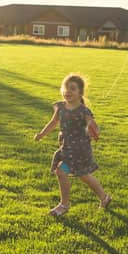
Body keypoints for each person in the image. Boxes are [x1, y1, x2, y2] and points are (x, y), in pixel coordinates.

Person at [34, 73, 112, 216]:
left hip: (80, 149)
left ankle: (64, 205)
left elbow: (92, 125)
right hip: (67, 147)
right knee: (84, 175)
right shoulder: (60, 108)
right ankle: (104, 197)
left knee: (61, 171)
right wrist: (41, 135)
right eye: (65, 88)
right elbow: (53, 123)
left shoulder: (83, 111)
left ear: (80, 93)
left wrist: (93, 130)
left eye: (72, 89)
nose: (67, 91)